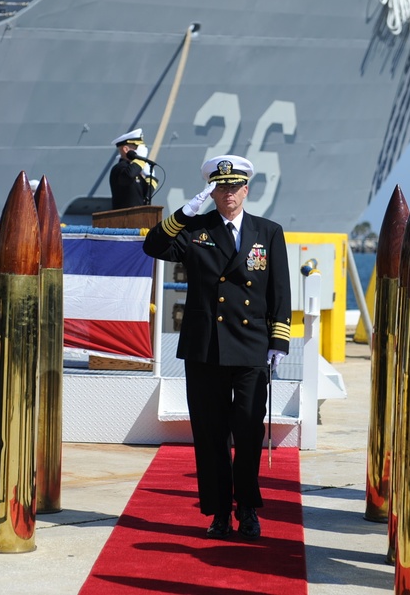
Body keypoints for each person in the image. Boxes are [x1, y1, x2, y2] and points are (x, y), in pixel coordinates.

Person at [143, 155, 291, 540]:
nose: (229, 193)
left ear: (247, 189)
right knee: (210, 437)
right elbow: (153, 245)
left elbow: (280, 291)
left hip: (251, 349)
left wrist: (278, 342)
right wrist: (185, 213)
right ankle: (219, 512)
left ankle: (247, 508)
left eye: (235, 186)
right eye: (220, 187)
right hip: (206, 348)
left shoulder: (268, 232)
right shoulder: (197, 230)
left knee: (246, 430)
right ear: (212, 191)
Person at [109, 128, 158, 208]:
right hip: (123, 218)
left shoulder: (136, 171)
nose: (140, 150)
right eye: (137, 148)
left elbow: (145, 198)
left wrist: (151, 178)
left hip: (139, 216)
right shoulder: (119, 168)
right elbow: (128, 176)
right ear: (126, 149)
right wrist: (140, 159)